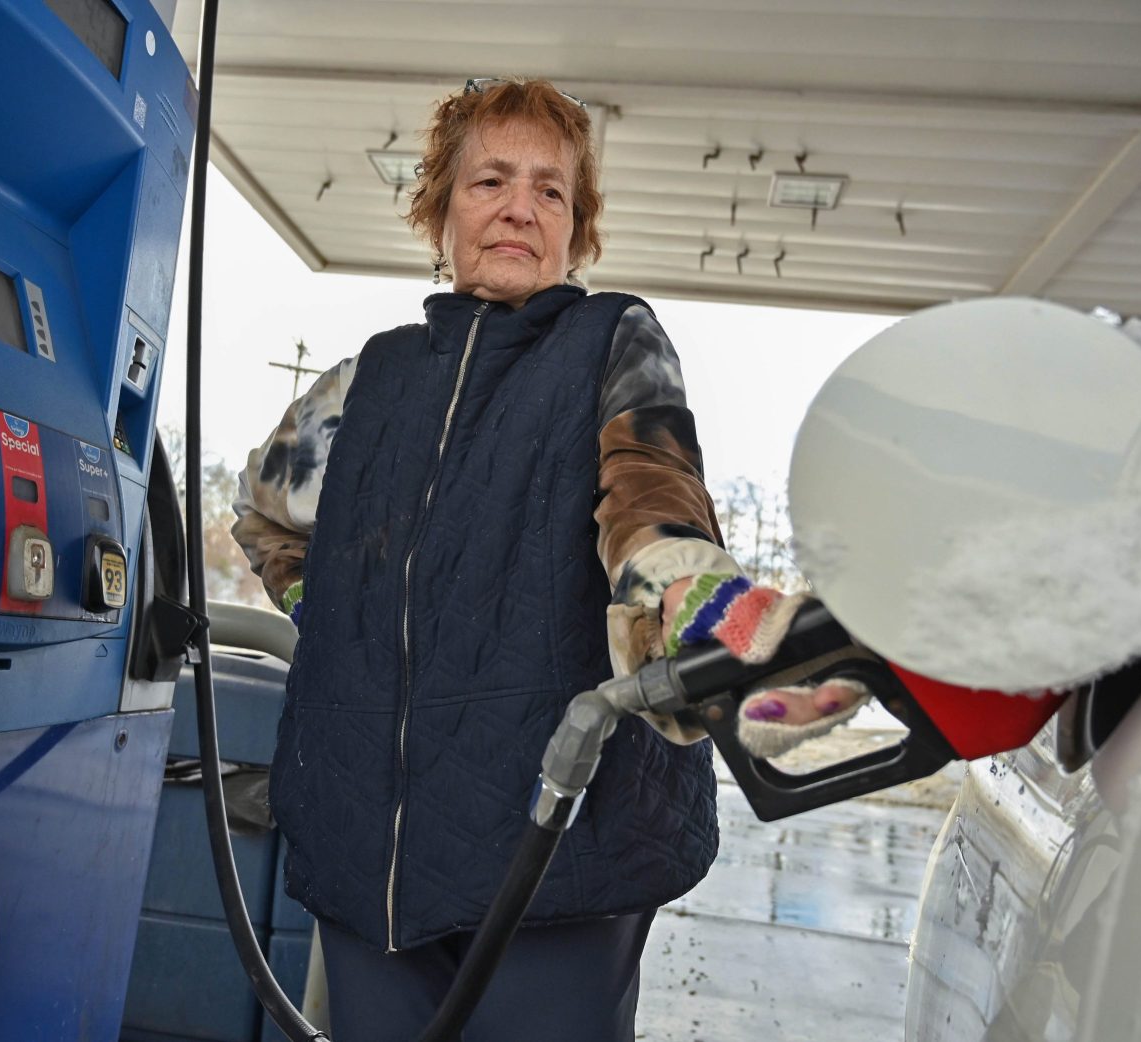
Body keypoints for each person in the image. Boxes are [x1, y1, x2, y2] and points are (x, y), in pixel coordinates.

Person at [232, 76, 867, 1042]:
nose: (520, 208)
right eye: (490, 181)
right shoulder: (364, 384)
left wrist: (705, 612)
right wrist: (333, 618)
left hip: (561, 850)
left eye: (551, 190)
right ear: (441, 211)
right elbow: (267, 516)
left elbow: (652, 498)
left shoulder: (611, 341)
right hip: (369, 848)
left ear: (577, 228)